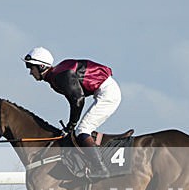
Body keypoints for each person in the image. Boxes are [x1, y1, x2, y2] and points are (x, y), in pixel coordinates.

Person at [23, 46, 121, 178]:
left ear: (41, 66)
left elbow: (78, 100)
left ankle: (101, 169)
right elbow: (76, 100)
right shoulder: (56, 76)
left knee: (82, 130)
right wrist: (71, 125)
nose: (30, 72)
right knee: (81, 130)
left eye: (31, 67)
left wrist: (71, 125)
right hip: (103, 91)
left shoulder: (60, 76)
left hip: (107, 93)